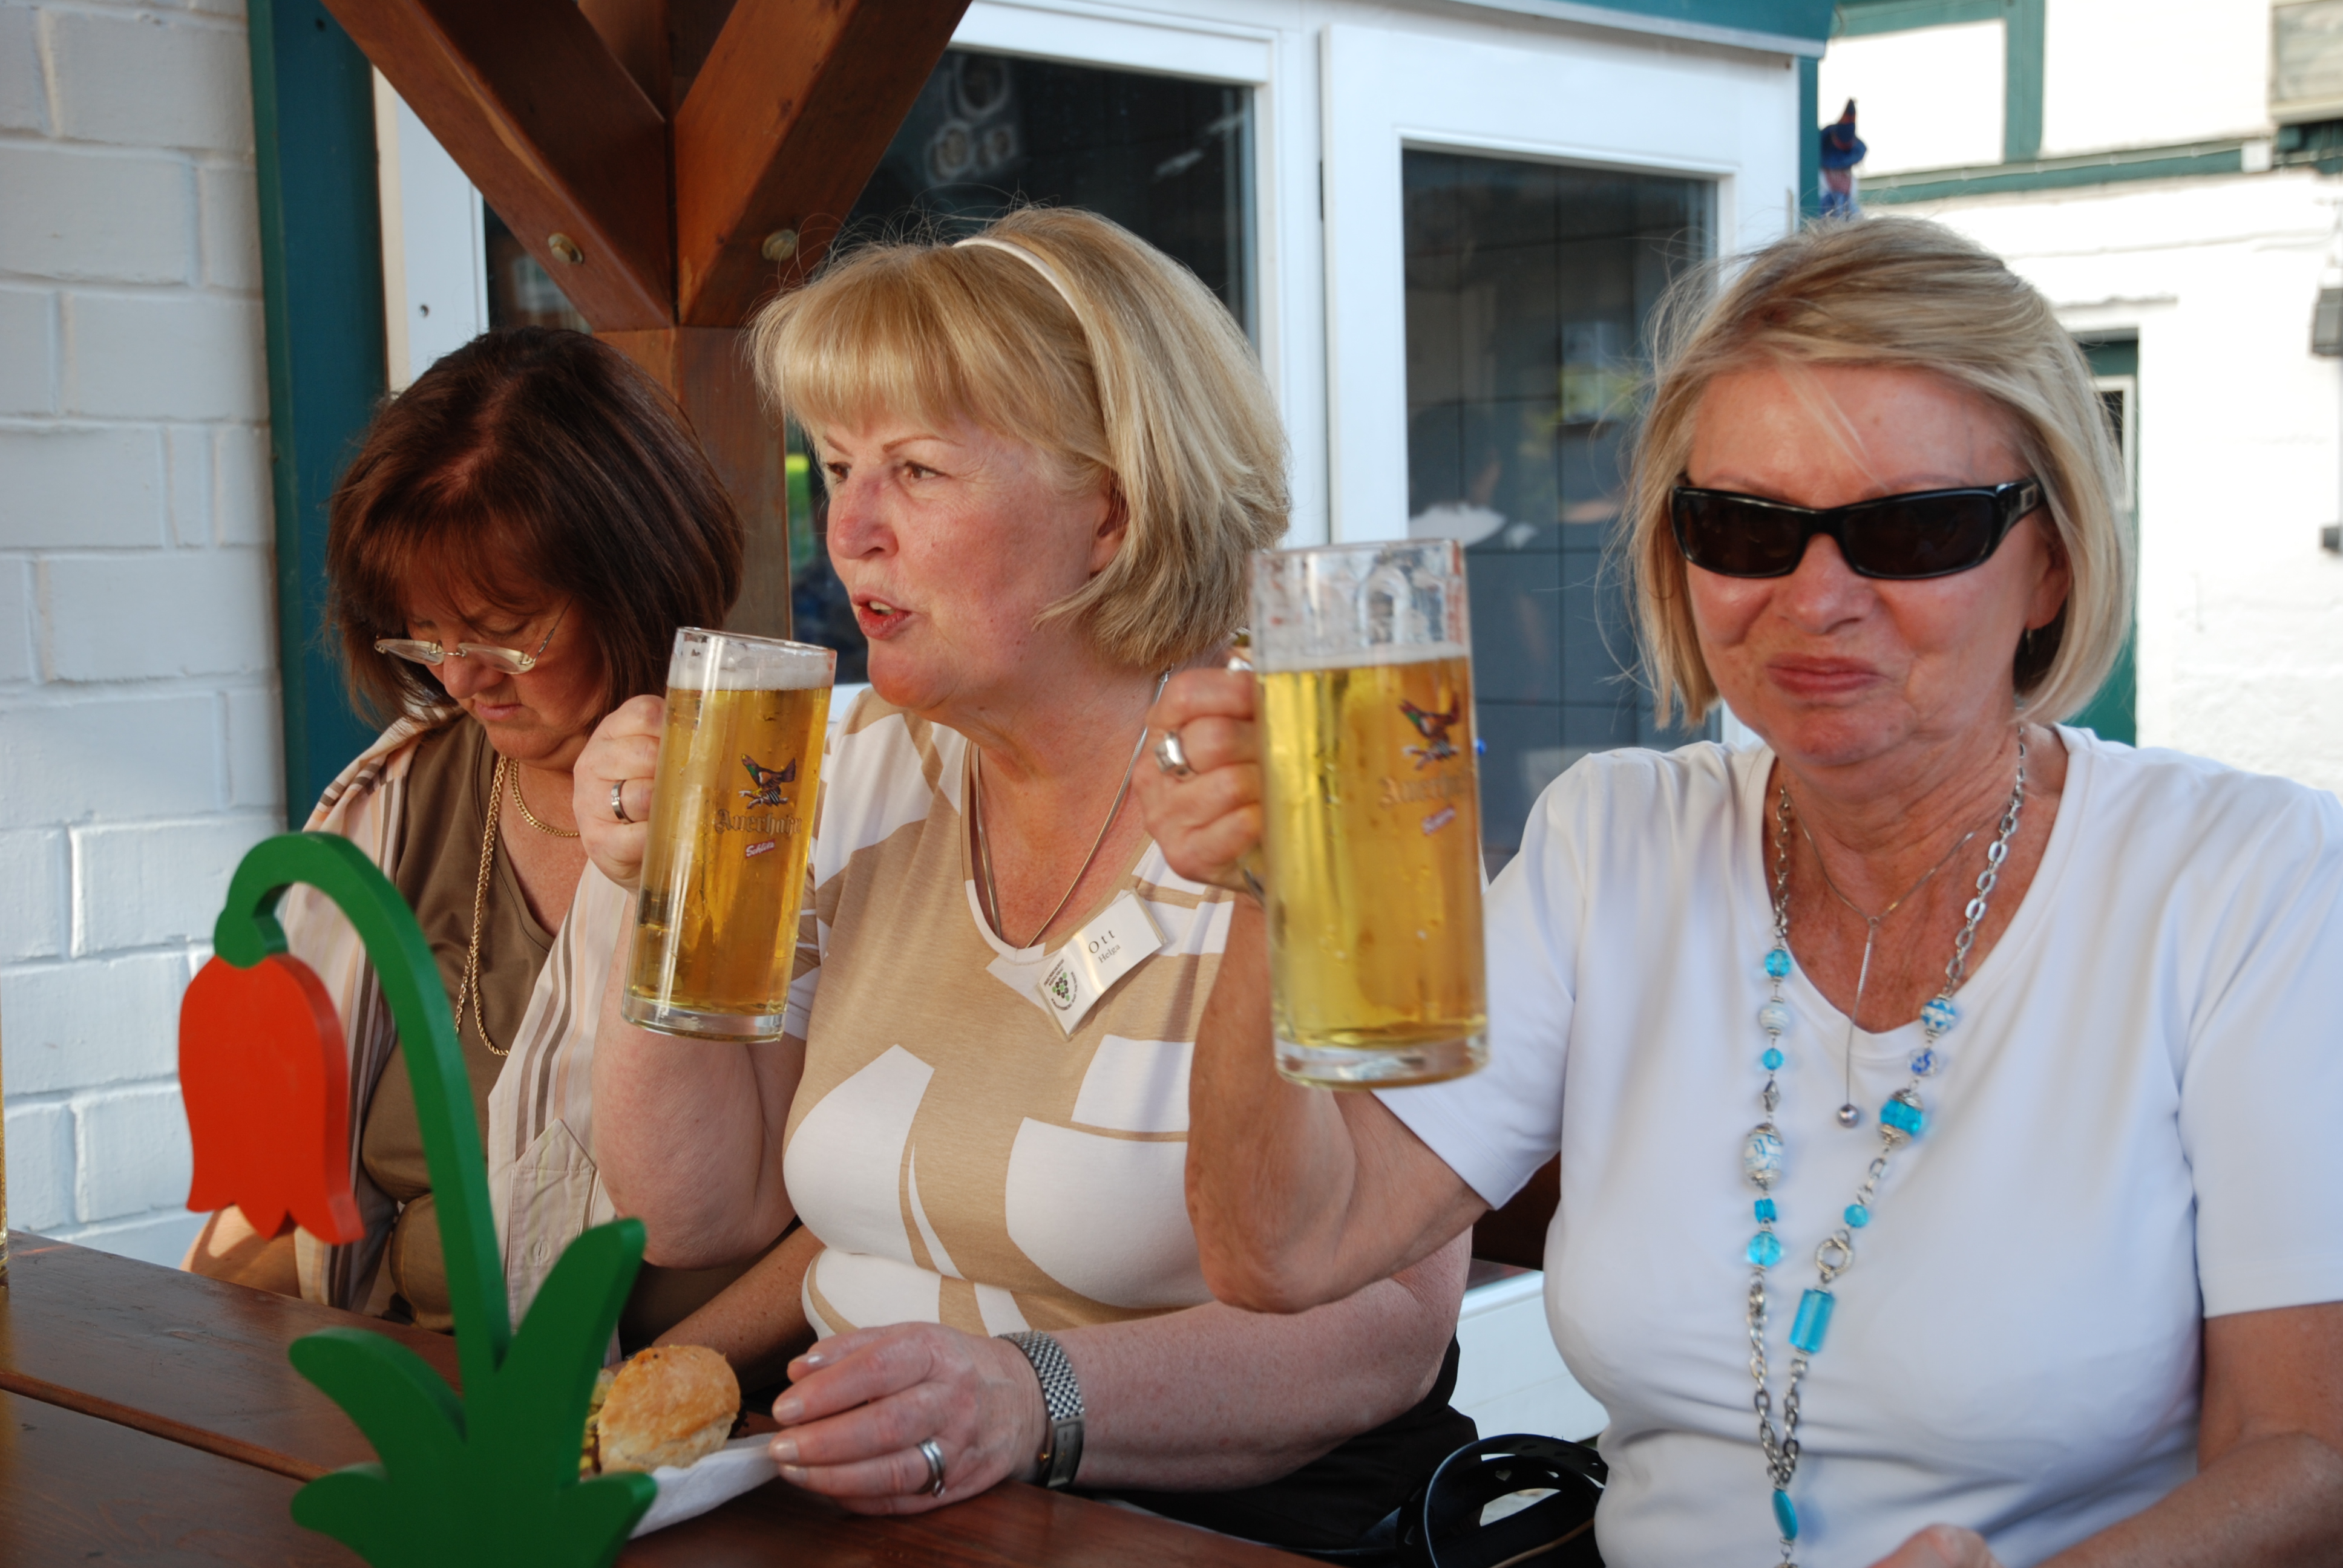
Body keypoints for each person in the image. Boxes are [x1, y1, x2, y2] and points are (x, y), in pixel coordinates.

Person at [1139, 215, 2343, 1568]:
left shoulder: (2247, 874)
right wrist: (1270, 887)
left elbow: (2308, 1456)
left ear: (2051, 559)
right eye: (1744, 528)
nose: (1815, 599)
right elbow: (1284, 1254)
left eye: (1914, 528)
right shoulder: (1617, 839)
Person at [574, 208, 1475, 1549]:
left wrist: (1029, 1396)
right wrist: (654, 885)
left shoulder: (1316, 789)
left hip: (1205, 1527)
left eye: (917, 472)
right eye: (835, 467)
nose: (849, 529)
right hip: (857, 1505)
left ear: (1110, 513)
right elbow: (693, 1208)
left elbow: (1389, 1331)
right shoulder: (840, 772)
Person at [184, 328, 767, 1342]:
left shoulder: (765, 798)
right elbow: (277, 1189)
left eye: (503, 631)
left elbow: (850, 1219)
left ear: (638, 575)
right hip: (392, 1367)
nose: (460, 677)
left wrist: (641, 1393)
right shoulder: (397, 802)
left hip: (655, 1396)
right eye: (424, 634)